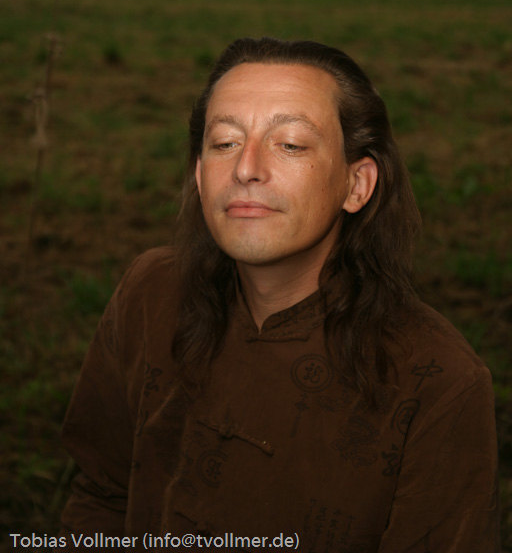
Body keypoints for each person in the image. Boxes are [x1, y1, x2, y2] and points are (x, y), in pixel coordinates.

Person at [60, 37, 500, 552]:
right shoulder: (150, 293)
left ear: (356, 184)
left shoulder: (440, 383)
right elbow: (100, 495)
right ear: (200, 175)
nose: (246, 168)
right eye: (224, 142)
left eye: (290, 144)